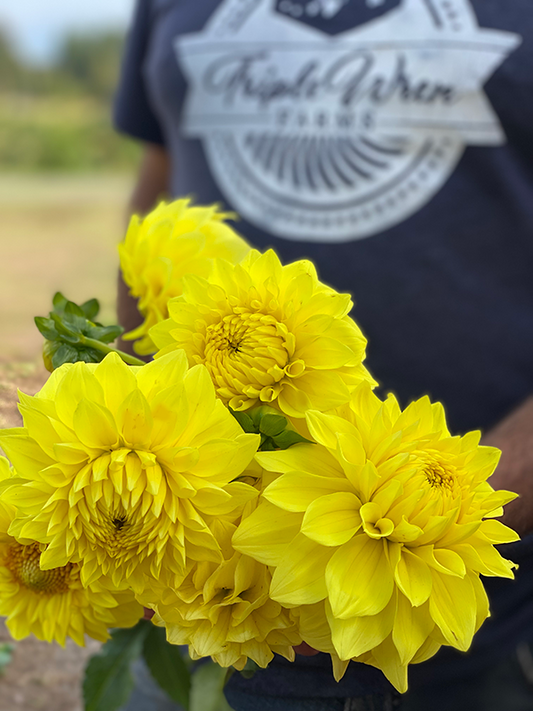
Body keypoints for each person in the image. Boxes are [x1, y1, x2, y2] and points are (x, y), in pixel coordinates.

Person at [114, 1, 533, 709]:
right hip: (186, 605)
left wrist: (454, 514)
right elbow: (161, 169)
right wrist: (122, 446)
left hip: (460, 613)